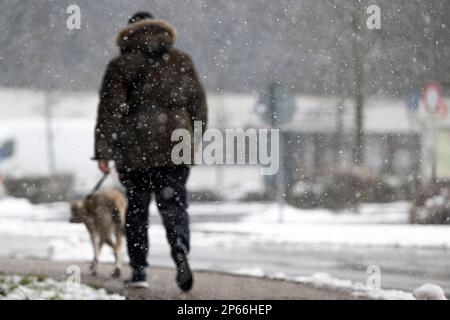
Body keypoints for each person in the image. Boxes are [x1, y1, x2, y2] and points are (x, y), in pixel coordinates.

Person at [93, 11, 207, 291]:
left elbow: (110, 111)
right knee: (175, 206)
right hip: (175, 145)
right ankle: (180, 248)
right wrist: (193, 139)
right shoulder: (182, 61)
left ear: (129, 34)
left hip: (135, 149)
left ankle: (140, 270)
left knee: (136, 212)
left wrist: (104, 152)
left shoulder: (121, 65)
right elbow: (199, 106)